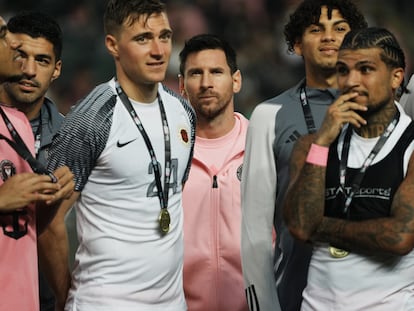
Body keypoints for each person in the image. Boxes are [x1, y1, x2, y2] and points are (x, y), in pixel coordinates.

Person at [43, 0, 196, 309]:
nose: (158, 50)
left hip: (172, 303)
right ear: (113, 45)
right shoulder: (92, 117)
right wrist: (64, 297)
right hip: (105, 302)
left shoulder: (183, 111)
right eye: (142, 39)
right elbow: (48, 219)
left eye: (164, 36)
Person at [240, 1, 367, 310]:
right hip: (296, 294)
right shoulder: (268, 115)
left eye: (340, 29)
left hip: (376, 296)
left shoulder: (389, 108)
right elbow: (254, 232)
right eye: (315, 29)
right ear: (296, 45)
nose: (328, 37)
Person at [283, 26, 414, 310]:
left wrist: (323, 225)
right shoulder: (311, 145)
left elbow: (400, 236)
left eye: (365, 69)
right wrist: (323, 141)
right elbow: (301, 226)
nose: (351, 81)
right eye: (343, 70)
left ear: (395, 77)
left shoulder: (411, 145)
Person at [0, 15, 74, 311]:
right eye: (19, 55)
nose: (28, 71)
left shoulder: (72, 139)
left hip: (32, 295)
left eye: (42, 60)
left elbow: (42, 228)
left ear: (56, 69)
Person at [178, 34, 249, 311]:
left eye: (216, 72)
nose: (206, 83)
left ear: (236, 80)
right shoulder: (168, 152)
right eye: (196, 73)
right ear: (182, 85)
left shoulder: (262, 147)